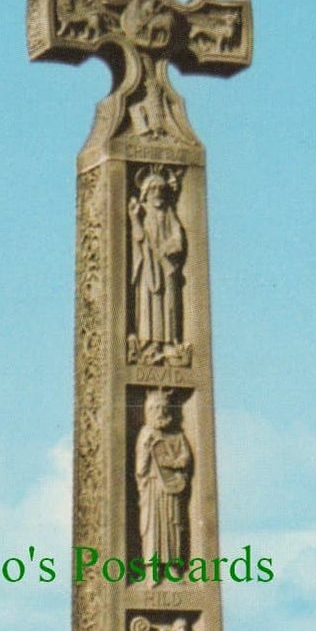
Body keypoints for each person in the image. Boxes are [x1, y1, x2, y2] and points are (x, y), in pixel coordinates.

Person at [129, 170, 186, 353]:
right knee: (148, 302)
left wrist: (167, 249)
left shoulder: (168, 212)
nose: (158, 192)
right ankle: (150, 341)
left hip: (165, 263)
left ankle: (169, 341)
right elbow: (138, 237)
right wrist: (134, 218)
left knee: (168, 301)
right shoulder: (142, 211)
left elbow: (178, 238)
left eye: (161, 188)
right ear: (146, 192)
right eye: (153, 188)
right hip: (147, 264)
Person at [135, 390, 193, 567]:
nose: (160, 412)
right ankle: (152, 570)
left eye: (163, 408)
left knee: (173, 525)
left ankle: (173, 567)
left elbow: (186, 459)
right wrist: (146, 448)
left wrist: (172, 463)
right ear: (148, 411)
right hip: (152, 486)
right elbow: (140, 468)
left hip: (172, 487)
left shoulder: (177, 436)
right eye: (155, 408)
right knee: (153, 526)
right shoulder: (146, 434)